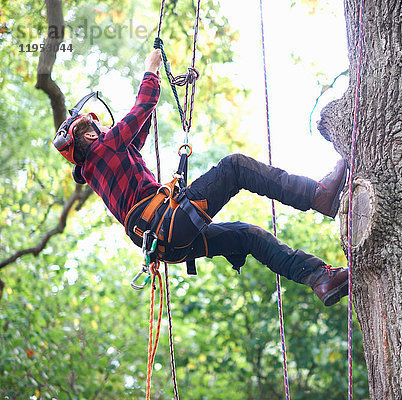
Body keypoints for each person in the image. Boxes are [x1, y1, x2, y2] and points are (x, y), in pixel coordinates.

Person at [52, 49, 350, 306]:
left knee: (247, 236)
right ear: (91, 135)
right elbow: (141, 108)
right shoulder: (104, 149)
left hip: (170, 244)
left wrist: (161, 86)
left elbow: (138, 132)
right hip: (170, 225)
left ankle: (320, 278)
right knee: (235, 168)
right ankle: (318, 196)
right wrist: (150, 69)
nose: (104, 127)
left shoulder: (100, 167)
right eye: (97, 125)